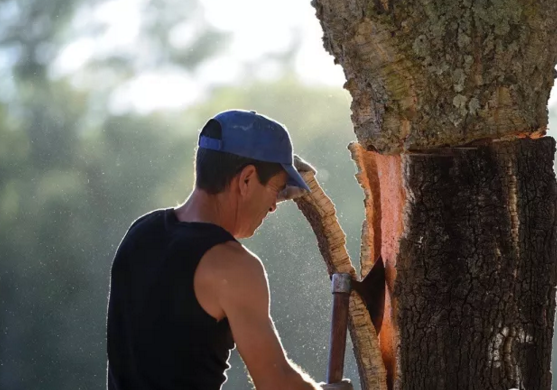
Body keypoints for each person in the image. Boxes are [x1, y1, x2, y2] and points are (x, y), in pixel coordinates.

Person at [106, 110, 352, 390]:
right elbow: (275, 382)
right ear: (246, 179)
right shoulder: (234, 267)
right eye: (276, 190)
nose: (274, 205)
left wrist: (263, 190)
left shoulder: (140, 234)